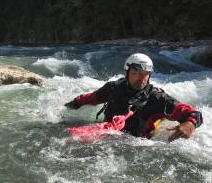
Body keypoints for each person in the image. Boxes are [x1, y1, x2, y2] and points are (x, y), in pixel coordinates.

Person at [65, 53, 203, 142]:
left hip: (137, 142)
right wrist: (71, 105)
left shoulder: (157, 98)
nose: (141, 77)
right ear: (127, 71)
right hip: (110, 135)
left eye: (146, 73)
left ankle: (160, 118)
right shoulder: (113, 88)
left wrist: (190, 123)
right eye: (136, 72)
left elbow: (194, 113)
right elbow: (88, 98)